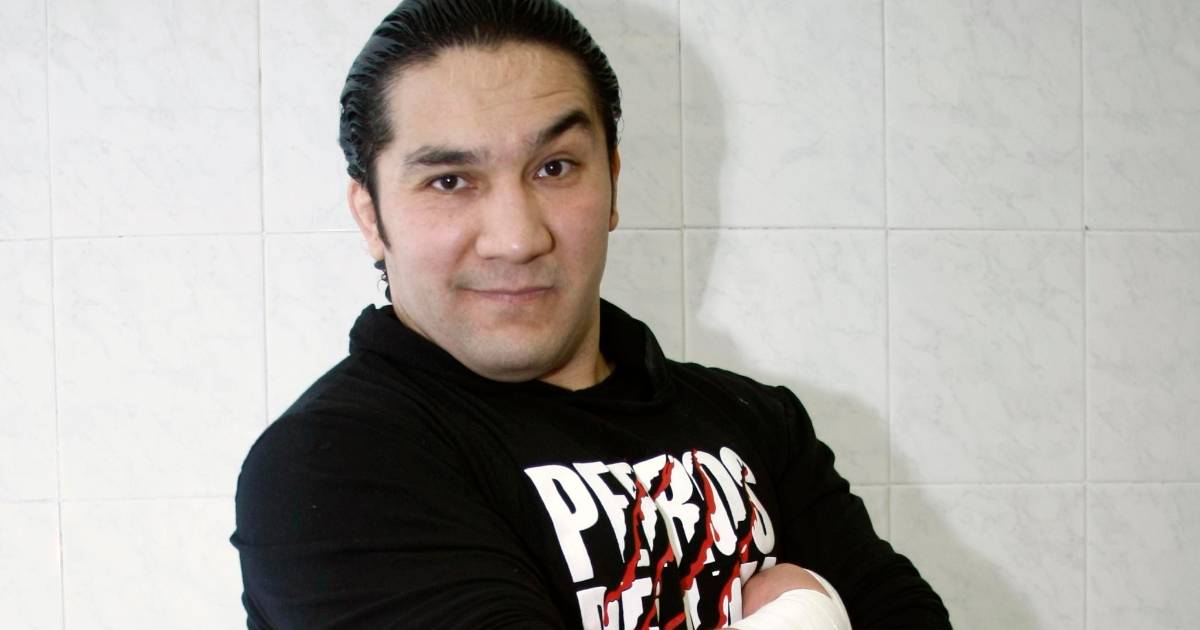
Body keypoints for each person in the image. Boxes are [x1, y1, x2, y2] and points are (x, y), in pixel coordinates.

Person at [230, 1, 951, 628]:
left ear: (612, 181)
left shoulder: (757, 421)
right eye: (450, 181)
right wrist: (804, 613)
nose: (517, 238)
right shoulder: (330, 468)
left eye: (554, 168)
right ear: (371, 215)